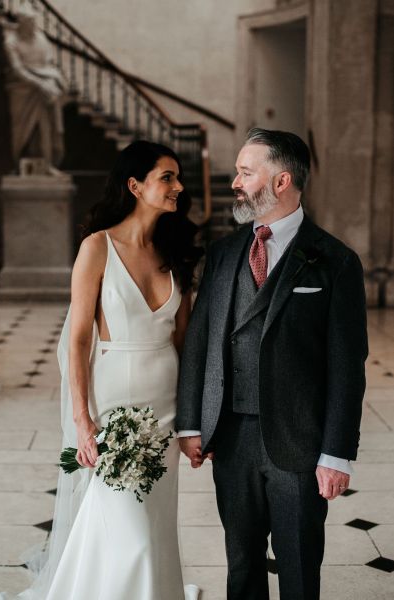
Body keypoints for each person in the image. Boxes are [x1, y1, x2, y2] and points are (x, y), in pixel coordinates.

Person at [0, 141, 201, 600]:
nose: (178, 187)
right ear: (135, 185)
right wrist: (84, 420)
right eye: (166, 177)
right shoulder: (97, 247)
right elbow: (78, 339)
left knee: (152, 519)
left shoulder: (176, 252)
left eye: (177, 177)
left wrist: (193, 421)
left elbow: (183, 343)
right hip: (113, 407)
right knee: (126, 525)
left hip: (165, 407)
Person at [176, 128, 368, 600]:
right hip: (230, 436)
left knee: (299, 564)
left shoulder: (335, 260)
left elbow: (348, 366)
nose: (236, 182)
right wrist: (189, 423)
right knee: (241, 563)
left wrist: (336, 454)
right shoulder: (222, 254)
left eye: (246, 172)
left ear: (281, 181)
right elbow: (199, 341)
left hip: (298, 443)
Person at [4, 4, 66, 170]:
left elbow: (48, 64)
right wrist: (41, 84)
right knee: (22, 128)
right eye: (28, 21)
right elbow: (18, 70)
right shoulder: (11, 41)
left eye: (33, 20)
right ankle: (20, 163)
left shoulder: (40, 38)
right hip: (21, 89)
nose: (32, 24)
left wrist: (53, 80)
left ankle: (48, 163)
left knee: (46, 125)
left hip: (43, 84)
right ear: (21, 23)